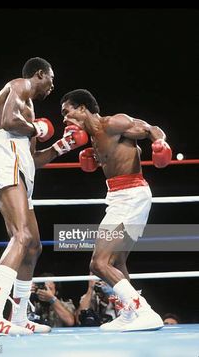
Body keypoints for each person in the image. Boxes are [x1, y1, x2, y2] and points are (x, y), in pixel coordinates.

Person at [0, 58, 88, 336]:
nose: (52, 86)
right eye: (51, 79)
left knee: (34, 245)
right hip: (6, 160)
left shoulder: (31, 111)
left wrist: (63, 146)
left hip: (22, 168)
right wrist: (38, 128)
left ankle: (21, 316)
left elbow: (35, 159)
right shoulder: (19, 85)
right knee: (21, 237)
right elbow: (7, 121)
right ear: (40, 74)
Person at [60, 89, 172, 332]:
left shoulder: (113, 123)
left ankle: (144, 311)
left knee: (99, 263)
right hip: (118, 196)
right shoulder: (92, 139)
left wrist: (160, 143)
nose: (64, 119)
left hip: (131, 194)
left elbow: (150, 128)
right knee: (117, 261)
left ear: (82, 108)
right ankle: (129, 315)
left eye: (66, 112)